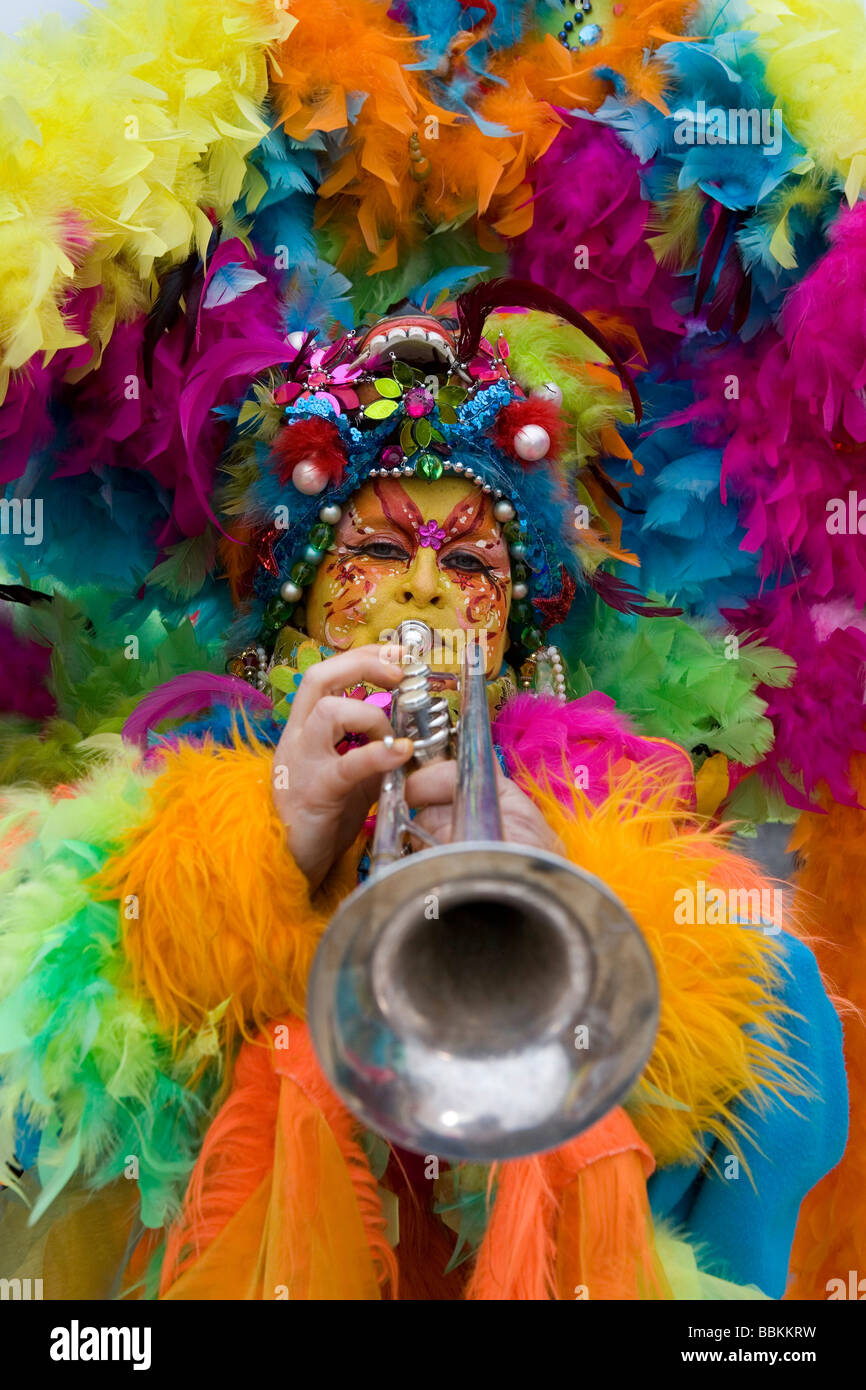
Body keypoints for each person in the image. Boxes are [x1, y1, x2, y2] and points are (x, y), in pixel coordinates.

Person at [0, 284, 846, 1301]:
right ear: (300, 593)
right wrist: (271, 849)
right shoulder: (158, 809)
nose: (426, 590)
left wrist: (586, 906)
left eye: (472, 562)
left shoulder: (605, 818)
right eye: (379, 552)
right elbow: (38, 1120)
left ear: (519, 625)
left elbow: (787, 1102)